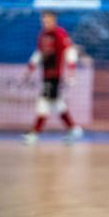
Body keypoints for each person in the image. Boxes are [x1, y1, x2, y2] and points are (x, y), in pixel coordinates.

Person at [22, 11, 83, 145]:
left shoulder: (59, 34)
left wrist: (71, 71)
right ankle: (73, 129)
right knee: (57, 104)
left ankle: (35, 133)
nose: (45, 23)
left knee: (43, 102)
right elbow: (38, 54)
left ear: (54, 21)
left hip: (55, 75)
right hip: (45, 74)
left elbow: (70, 51)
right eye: (43, 21)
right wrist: (29, 70)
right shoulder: (42, 35)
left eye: (48, 21)